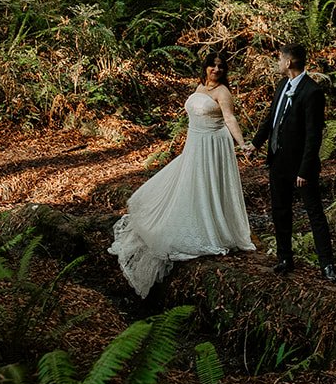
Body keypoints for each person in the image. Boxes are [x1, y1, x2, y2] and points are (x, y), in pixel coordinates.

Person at [109, 51, 256, 298]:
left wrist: (242, 144)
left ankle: (211, 228)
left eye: (221, 67)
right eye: (213, 65)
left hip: (213, 145)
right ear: (206, 67)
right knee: (187, 184)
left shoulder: (223, 92)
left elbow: (230, 119)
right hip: (195, 143)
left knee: (206, 185)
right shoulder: (200, 86)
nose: (216, 70)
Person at [251, 42, 336, 282]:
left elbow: (314, 135)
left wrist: (305, 169)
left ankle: (327, 265)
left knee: (314, 214)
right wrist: (256, 144)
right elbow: (271, 119)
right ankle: (285, 258)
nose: (278, 63)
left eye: (280, 59)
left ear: (288, 62)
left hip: (301, 167)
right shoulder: (282, 86)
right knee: (280, 211)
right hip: (278, 161)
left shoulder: (312, 92)